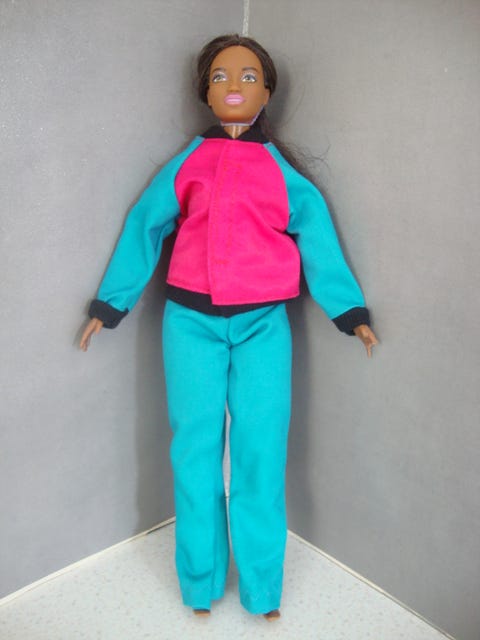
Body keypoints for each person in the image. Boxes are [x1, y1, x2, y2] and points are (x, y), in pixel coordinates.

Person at [80, 34, 378, 620]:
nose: (234, 86)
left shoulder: (283, 174)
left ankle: (263, 590)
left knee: (261, 453)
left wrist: (349, 313)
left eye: (248, 77)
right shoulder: (189, 163)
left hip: (264, 324)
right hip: (189, 323)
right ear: (205, 92)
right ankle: (199, 582)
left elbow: (317, 238)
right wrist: (109, 304)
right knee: (193, 451)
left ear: (267, 92)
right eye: (220, 77)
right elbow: (145, 225)